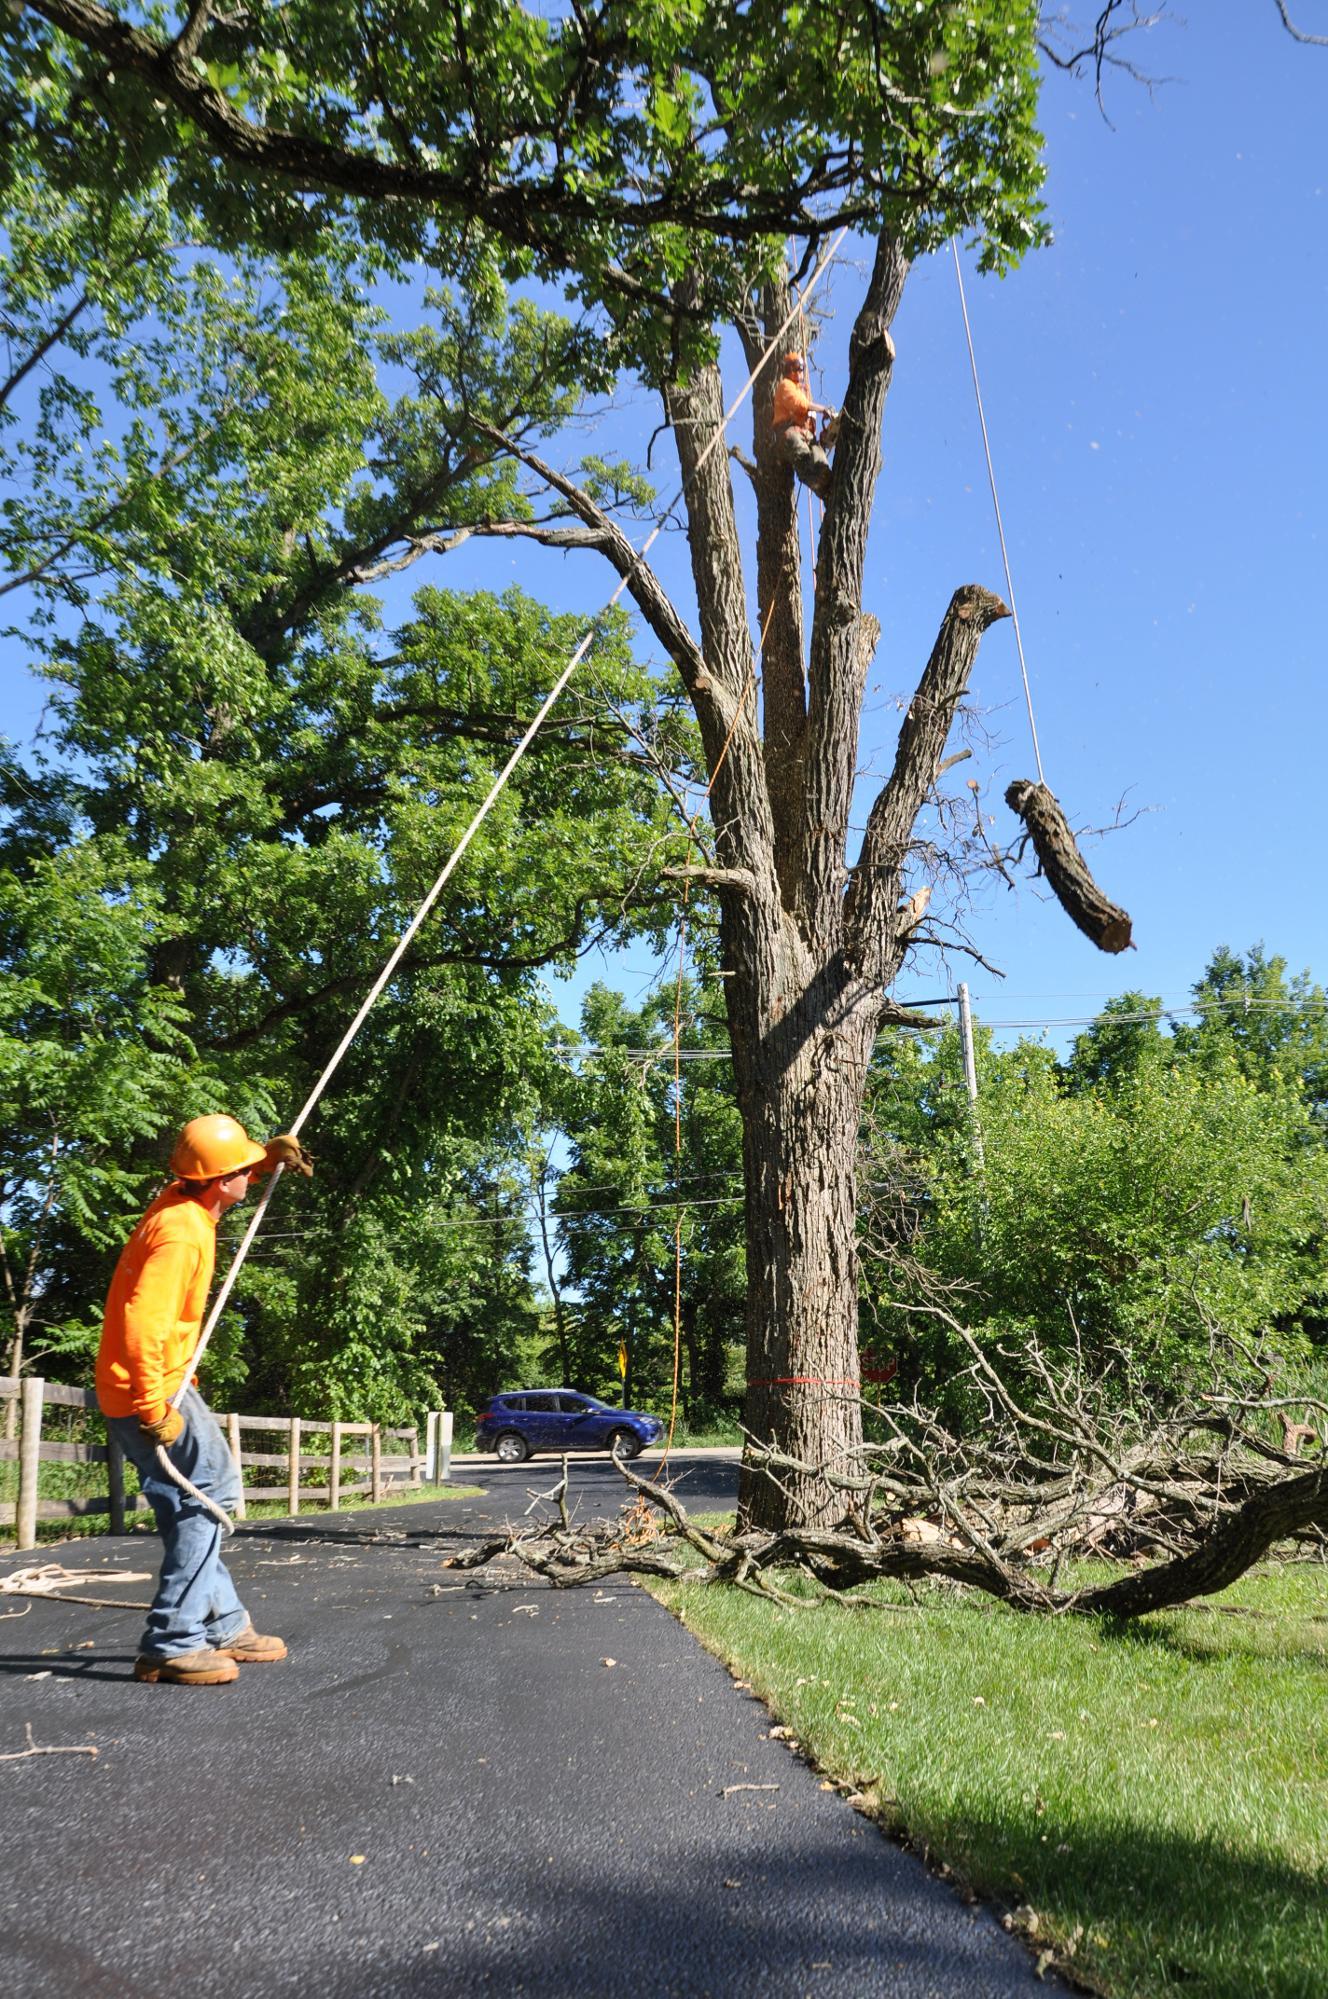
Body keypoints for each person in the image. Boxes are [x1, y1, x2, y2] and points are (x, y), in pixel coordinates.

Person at [97, 1114, 311, 1686]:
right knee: (212, 1491)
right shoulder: (181, 1232)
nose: (249, 1172)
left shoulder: (180, 1201)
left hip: (136, 1387)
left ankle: (224, 1625)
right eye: (242, 1167)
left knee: (184, 1504)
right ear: (221, 1180)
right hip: (153, 1388)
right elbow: (144, 1322)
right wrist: (153, 1407)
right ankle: (172, 1640)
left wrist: (267, 1158)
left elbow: (213, 1175)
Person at [770, 351, 836, 498]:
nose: (800, 372)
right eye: (797, 368)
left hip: (806, 434)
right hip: (789, 433)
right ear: (789, 369)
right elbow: (798, 405)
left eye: (801, 368)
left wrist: (824, 434)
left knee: (820, 461)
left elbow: (808, 417)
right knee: (805, 462)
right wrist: (822, 409)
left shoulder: (802, 391)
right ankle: (821, 488)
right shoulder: (785, 385)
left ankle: (829, 490)